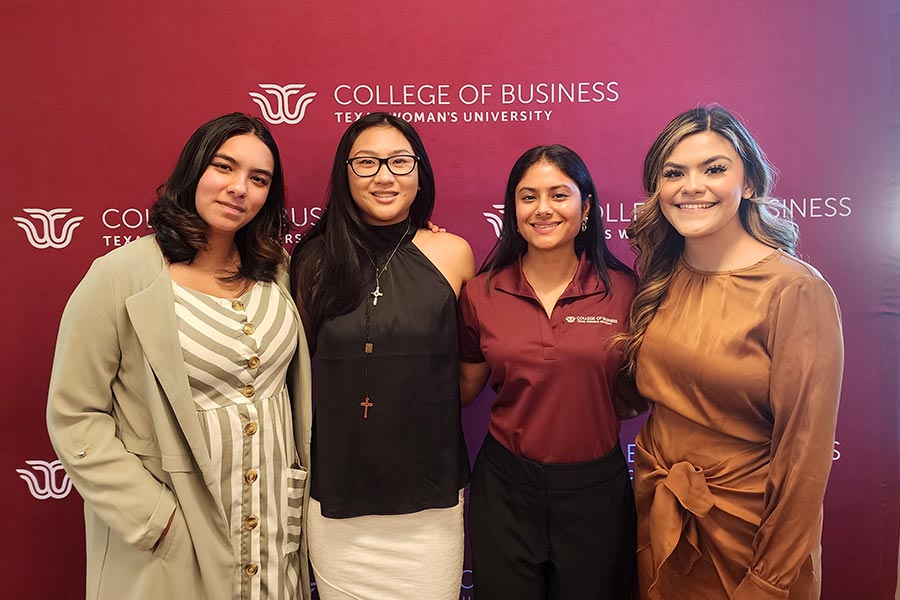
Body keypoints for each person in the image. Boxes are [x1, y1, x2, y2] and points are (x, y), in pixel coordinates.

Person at [46, 113, 312, 600]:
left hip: (273, 527)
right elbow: (74, 415)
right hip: (176, 529)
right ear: (193, 171)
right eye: (224, 167)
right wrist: (154, 519)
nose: (239, 189)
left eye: (259, 179)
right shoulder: (119, 277)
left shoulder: (278, 270)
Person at [620, 105, 843, 599]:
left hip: (748, 537)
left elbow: (804, 454)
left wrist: (769, 581)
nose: (691, 186)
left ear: (748, 184)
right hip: (661, 516)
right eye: (674, 173)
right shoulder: (662, 275)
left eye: (714, 169)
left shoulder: (794, 290)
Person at [290, 112, 473, 600]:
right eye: (367, 162)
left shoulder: (452, 253)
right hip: (340, 494)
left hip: (428, 496)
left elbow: (466, 374)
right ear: (345, 173)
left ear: (420, 172)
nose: (385, 176)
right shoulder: (311, 261)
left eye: (399, 161)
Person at [457, 145, 641, 599]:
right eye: (528, 197)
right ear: (512, 210)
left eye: (559, 195)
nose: (543, 209)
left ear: (587, 207)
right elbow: (463, 388)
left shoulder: (625, 290)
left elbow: (637, 393)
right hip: (505, 489)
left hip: (596, 490)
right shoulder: (482, 292)